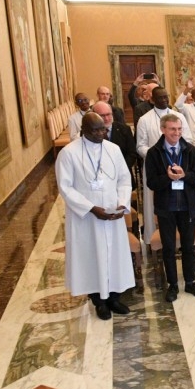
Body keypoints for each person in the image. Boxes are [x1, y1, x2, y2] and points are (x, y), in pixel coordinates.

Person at [55, 112, 135, 320]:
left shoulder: (113, 150)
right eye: (97, 130)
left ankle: (115, 297)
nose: (102, 133)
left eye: (103, 129)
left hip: (112, 215)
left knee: (114, 255)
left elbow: (124, 180)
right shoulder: (69, 153)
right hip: (87, 218)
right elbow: (65, 187)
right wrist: (91, 208)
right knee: (92, 256)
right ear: (84, 130)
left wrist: (122, 204)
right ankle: (99, 301)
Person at [145, 115, 195, 302]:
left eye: (179, 129)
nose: (177, 133)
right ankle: (172, 284)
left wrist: (184, 175)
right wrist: (168, 178)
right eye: (173, 129)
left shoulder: (190, 150)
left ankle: (190, 281)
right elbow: (152, 183)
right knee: (169, 248)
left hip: (187, 206)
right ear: (163, 129)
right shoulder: (154, 153)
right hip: (166, 208)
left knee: (188, 246)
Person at [136, 87, 192, 244]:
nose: (164, 100)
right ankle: (154, 239)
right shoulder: (144, 119)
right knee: (157, 204)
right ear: (152, 99)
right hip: (156, 167)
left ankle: (185, 241)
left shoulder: (179, 116)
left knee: (183, 203)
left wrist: (176, 153)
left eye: (166, 97)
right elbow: (140, 146)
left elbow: (188, 139)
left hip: (180, 164)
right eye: (160, 98)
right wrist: (158, 156)